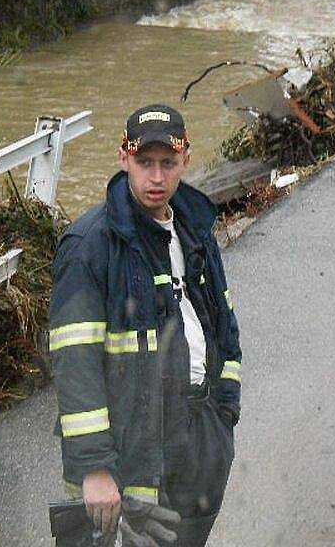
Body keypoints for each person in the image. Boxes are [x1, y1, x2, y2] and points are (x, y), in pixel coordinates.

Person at [49, 104, 242, 546]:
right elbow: (75, 363)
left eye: (168, 164)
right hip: (134, 459)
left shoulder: (196, 229)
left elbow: (224, 327)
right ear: (123, 158)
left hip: (202, 444)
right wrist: (95, 470)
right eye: (144, 163)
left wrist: (224, 414)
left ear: (185, 161)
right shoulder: (90, 246)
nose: (157, 178)